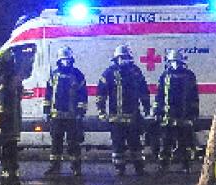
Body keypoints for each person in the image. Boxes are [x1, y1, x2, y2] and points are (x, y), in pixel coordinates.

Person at [96, 45, 152, 176]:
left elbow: (144, 92)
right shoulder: (109, 73)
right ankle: (119, 169)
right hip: (116, 118)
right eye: (121, 58)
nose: (123, 60)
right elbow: (101, 94)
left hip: (133, 117)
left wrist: (147, 108)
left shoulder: (136, 72)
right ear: (116, 59)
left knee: (136, 145)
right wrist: (101, 111)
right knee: (118, 146)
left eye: (126, 57)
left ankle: (139, 168)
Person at [43, 46, 87, 177]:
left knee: (73, 143)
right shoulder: (54, 74)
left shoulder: (78, 75)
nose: (65, 62)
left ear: (71, 60)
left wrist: (80, 112)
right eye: (63, 60)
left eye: (67, 60)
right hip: (56, 116)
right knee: (56, 143)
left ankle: (76, 167)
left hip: (72, 116)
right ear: (59, 60)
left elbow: (82, 95)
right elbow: (48, 94)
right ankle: (55, 167)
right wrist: (46, 111)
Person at [154, 49, 199, 173]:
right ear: (169, 62)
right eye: (173, 61)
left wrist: (194, 112)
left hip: (184, 116)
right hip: (168, 117)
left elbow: (194, 96)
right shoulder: (165, 76)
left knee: (184, 143)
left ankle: (186, 165)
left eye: (177, 61)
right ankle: (163, 165)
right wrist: (157, 112)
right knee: (166, 143)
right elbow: (159, 95)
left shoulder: (189, 76)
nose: (175, 64)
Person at [0, 49, 24, 185]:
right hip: (14, 123)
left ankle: (8, 182)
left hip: (5, 124)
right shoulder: (15, 80)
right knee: (11, 153)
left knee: (4, 154)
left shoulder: (5, 82)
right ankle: (12, 181)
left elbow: (1, 108)